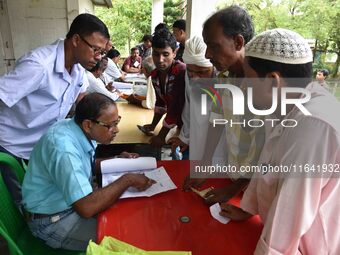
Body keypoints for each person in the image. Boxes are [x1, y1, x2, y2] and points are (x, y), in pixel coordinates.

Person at [220, 28, 340, 254]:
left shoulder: (313, 124)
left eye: (248, 77)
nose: (244, 86)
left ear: (273, 81)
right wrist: (248, 207)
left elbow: (292, 209)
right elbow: (268, 162)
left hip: (310, 245)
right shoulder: (285, 106)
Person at [22, 93, 155, 251]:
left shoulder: (74, 128)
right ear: (88, 125)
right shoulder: (64, 149)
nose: (116, 130)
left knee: (130, 215)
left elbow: (83, 165)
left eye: (117, 122)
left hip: (67, 207)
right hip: (54, 221)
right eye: (110, 125)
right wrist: (127, 179)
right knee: (127, 240)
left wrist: (116, 159)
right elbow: (86, 208)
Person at [0, 13, 110, 205]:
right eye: (95, 50)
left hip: (40, 146)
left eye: (102, 52)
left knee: (49, 199)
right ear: (76, 39)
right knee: (24, 205)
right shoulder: (39, 65)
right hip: (12, 145)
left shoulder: (78, 69)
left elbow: (81, 100)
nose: (98, 58)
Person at [183, 6, 264, 205]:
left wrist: (236, 188)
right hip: (232, 173)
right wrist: (205, 163)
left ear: (238, 42)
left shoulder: (264, 85)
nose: (208, 54)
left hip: (256, 187)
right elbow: (217, 120)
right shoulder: (225, 77)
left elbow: (268, 147)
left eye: (214, 46)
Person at [169, 36, 218, 160]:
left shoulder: (224, 78)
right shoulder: (188, 74)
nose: (195, 77)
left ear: (213, 67)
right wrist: (185, 137)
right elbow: (189, 108)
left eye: (202, 72)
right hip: (195, 140)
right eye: (191, 71)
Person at [138, 28, 186, 147]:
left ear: (175, 52)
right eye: (156, 54)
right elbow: (161, 103)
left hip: (189, 126)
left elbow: (176, 107)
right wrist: (153, 125)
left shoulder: (181, 72)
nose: (160, 60)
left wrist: (161, 136)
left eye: (166, 54)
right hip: (178, 125)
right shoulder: (155, 75)